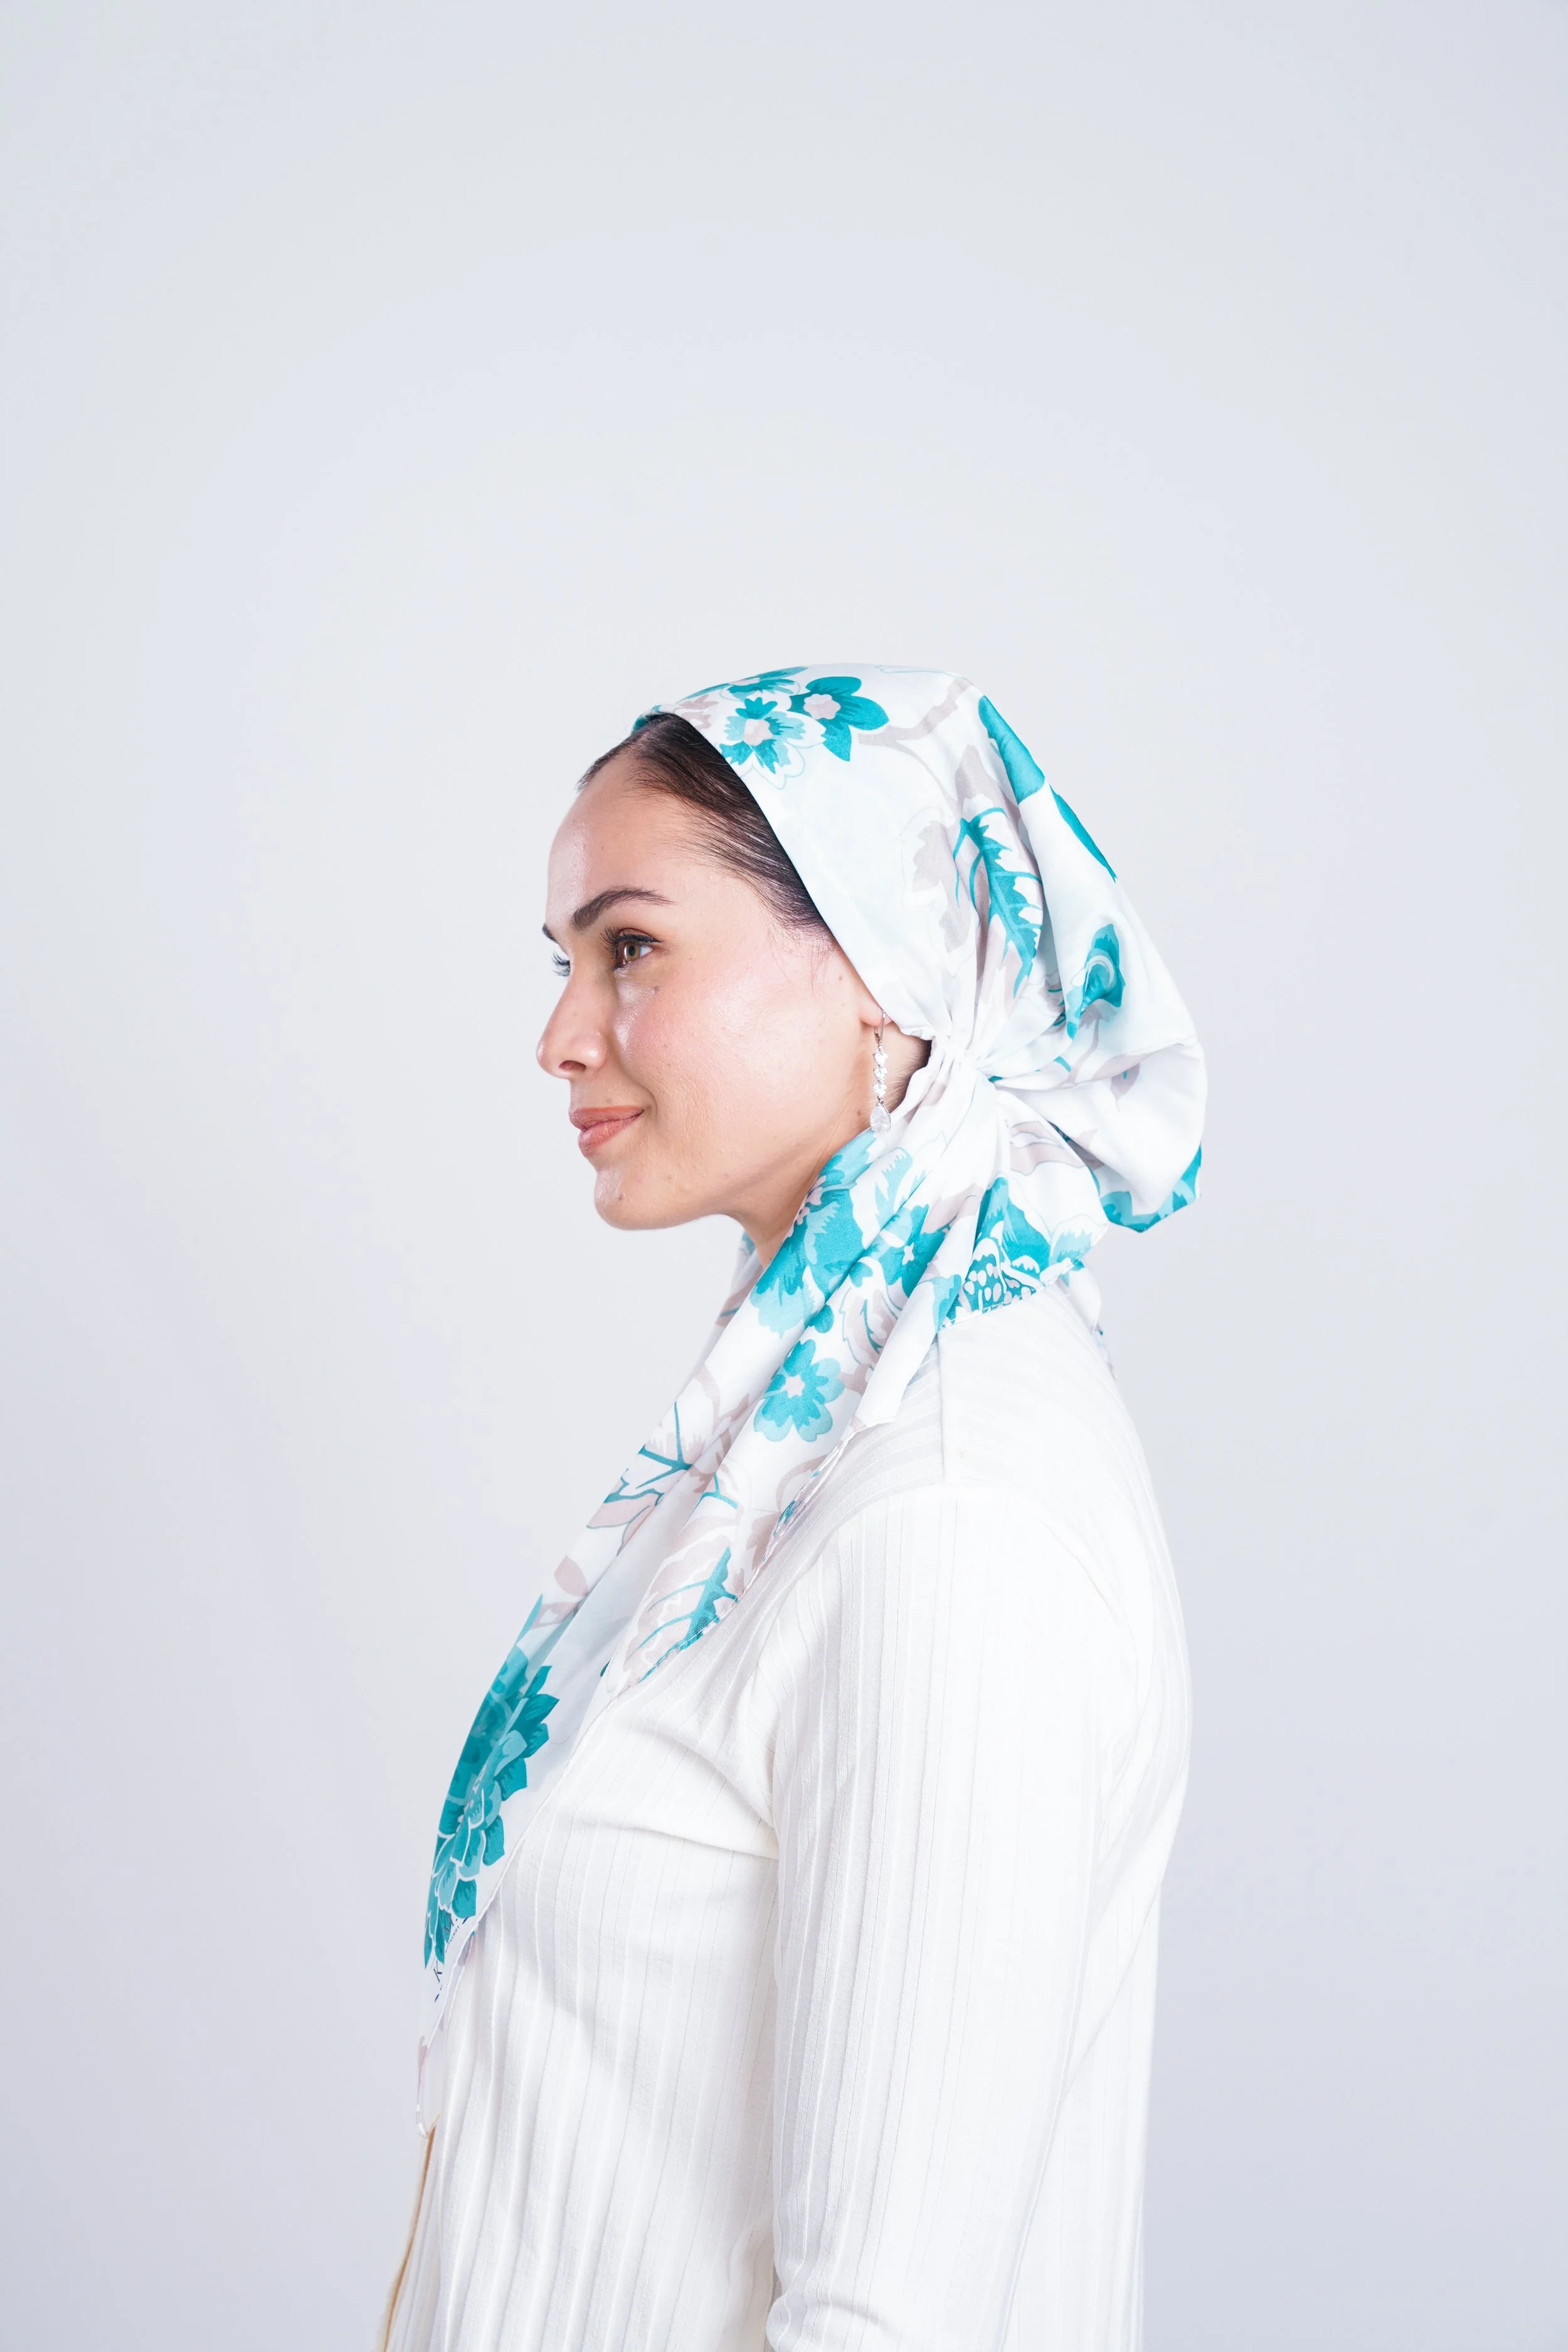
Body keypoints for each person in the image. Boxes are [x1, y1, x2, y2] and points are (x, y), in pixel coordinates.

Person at [383, 666, 1205, 2352]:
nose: (558, 1031)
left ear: (880, 971)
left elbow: (884, 2318)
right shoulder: (805, 1438)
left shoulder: (946, 1506)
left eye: (631, 948)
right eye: (566, 961)